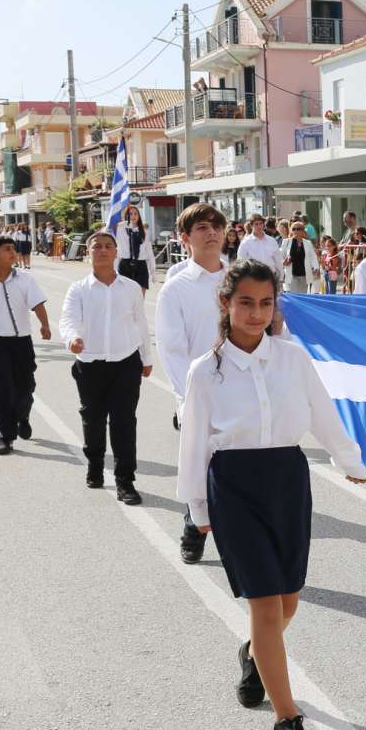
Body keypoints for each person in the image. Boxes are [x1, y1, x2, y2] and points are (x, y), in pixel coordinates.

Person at [176, 259, 366, 730]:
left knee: (287, 603)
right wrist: (198, 507)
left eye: (266, 303)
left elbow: (323, 415)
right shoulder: (206, 372)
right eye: (246, 302)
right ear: (226, 303)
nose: (257, 313)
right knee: (266, 605)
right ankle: (287, 720)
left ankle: (253, 654)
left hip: (287, 480)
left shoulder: (292, 360)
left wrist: (349, 460)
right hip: (234, 488)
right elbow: (195, 444)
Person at [155, 202, 233, 565]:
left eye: (217, 226)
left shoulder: (243, 278)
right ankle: (194, 526)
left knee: (240, 468)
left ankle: (239, 539)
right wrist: (190, 397)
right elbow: (172, 350)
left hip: (242, 392)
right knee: (199, 468)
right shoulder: (177, 288)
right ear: (185, 238)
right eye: (202, 227)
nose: (212, 232)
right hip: (198, 395)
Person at [60, 229, 152, 503]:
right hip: (90, 364)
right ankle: (95, 466)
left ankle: (125, 481)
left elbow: (141, 325)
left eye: (108, 246)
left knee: (124, 422)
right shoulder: (78, 289)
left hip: (126, 363)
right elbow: (68, 319)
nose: (102, 250)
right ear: (88, 253)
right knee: (93, 419)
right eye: (96, 246)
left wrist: (146, 359)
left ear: (116, 252)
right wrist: (72, 338)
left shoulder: (131, 288)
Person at [0, 235, 51, 455]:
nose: (13, 253)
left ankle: (22, 415)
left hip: (22, 341)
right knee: (2, 388)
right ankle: (5, 435)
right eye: (7, 249)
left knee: (26, 385)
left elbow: (37, 303)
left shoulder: (25, 279)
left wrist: (45, 325)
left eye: (13, 249)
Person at [114, 204, 157, 294]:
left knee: (140, 297)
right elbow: (108, 234)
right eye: (130, 214)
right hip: (125, 264)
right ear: (126, 216)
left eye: (135, 213)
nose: (133, 216)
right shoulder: (120, 229)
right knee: (126, 297)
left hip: (140, 265)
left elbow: (149, 252)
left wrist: (153, 272)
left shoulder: (144, 231)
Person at [280, 222, 317, 294]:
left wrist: (316, 268)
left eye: (298, 229)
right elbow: (280, 256)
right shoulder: (286, 242)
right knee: (295, 295)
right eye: (293, 229)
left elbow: (313, 257)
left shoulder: (307, 243)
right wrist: (283, 262)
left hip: (304, 274)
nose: (296, 231)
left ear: (303, 231)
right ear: (291, 230)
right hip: (292, 275)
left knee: (303, 296)